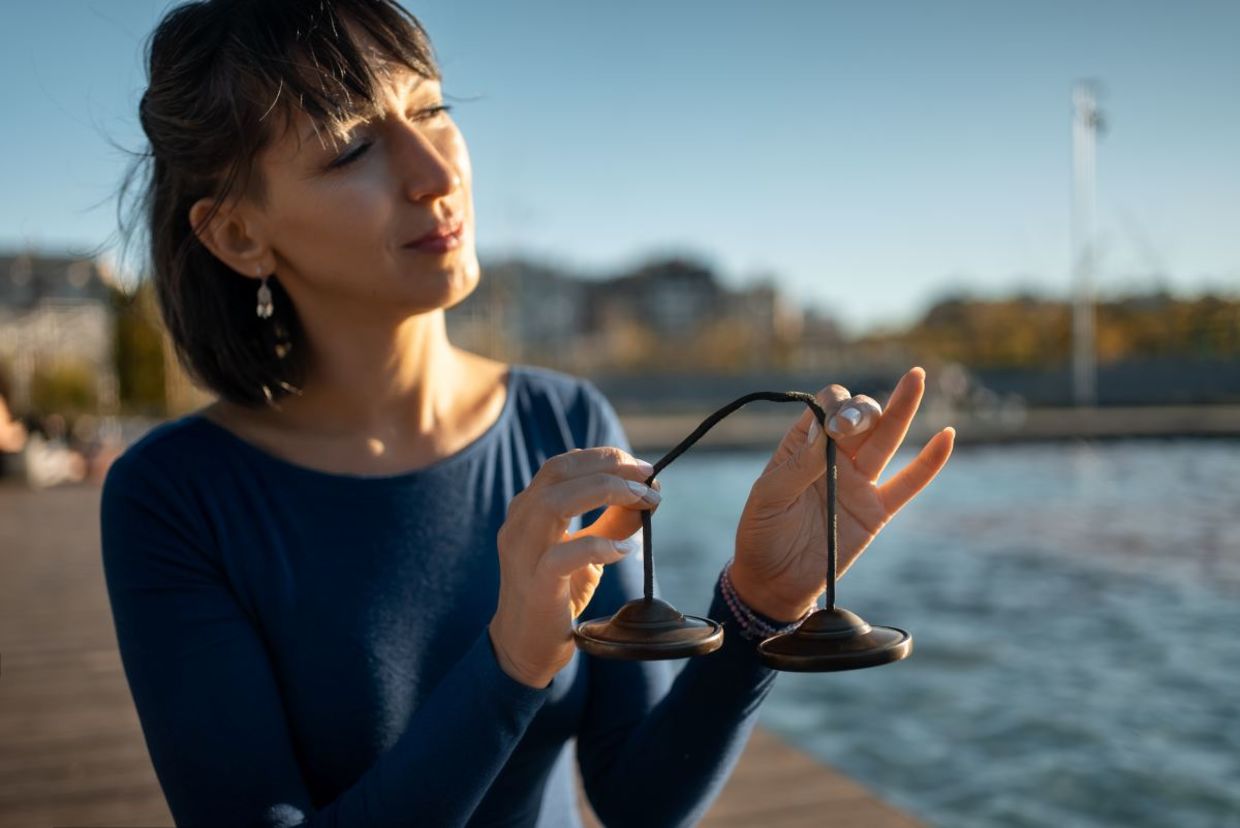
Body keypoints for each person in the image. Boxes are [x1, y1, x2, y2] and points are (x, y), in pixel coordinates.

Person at [101, 2, 956, 826]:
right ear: (240, 235)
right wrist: (509, 661)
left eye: (431, 108)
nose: (436, 175)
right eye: (352, 147)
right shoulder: (176, 496)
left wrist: (762, 603)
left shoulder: (563, 419)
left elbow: (639, 798)